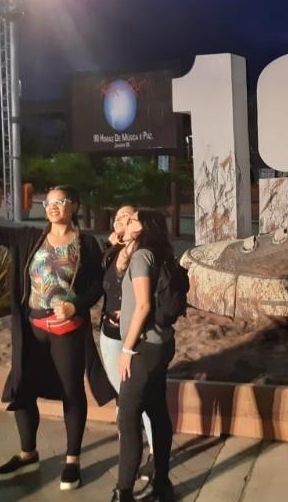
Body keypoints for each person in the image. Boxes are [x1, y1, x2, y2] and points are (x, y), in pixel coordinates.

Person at [0, 184, 116, 491]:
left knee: (72, 391)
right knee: (21, 386)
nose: (53, 207)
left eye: (60, 202)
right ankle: (28, 453)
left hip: (67, 330)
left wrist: (76, 306)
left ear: (74, 206)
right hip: (33, 328)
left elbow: (98, 284)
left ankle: (72, 460)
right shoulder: (30, 237)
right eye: (48, 202)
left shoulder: (87, 243)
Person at [111, 209, 176, 502]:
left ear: (146, 226)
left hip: (143, 348)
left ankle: (123, 492)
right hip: (161, 343)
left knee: (128, 417)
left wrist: (126, 349)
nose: (128, 222)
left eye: (134, 219)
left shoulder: (141, 257)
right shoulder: (159, 253)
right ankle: (162, 484)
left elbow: (143, 307)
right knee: (156, 411)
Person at [99, 205, 157, 482]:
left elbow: (144, 301)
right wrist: (107, 245)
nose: (122, 219)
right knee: (122, 396)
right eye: (118, 217)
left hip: (133, 337)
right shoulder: (112, 253)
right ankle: (130, 448)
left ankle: (154, 454)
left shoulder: (144, 255)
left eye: (129, 216)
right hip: (109, 333)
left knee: (138, 396)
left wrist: (128, 346)